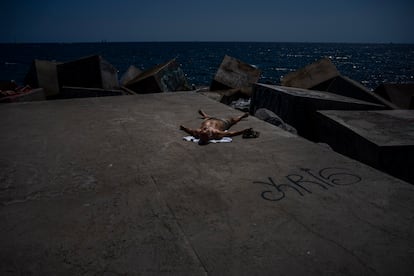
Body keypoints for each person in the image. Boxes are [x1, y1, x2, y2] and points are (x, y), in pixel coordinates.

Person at [180, 109, 253, 145]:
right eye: (205, 130)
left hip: (208, 120)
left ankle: (204, 115)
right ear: (209, 134)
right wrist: (243, 131)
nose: (204, 129)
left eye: (203, 130)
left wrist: (183, 128)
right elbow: (230, 134)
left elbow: (190, 130)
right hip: (221, 122)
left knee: (206, 120)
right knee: (232, 120)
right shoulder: (216, 133)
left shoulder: (198, 132)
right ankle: (242, 116)